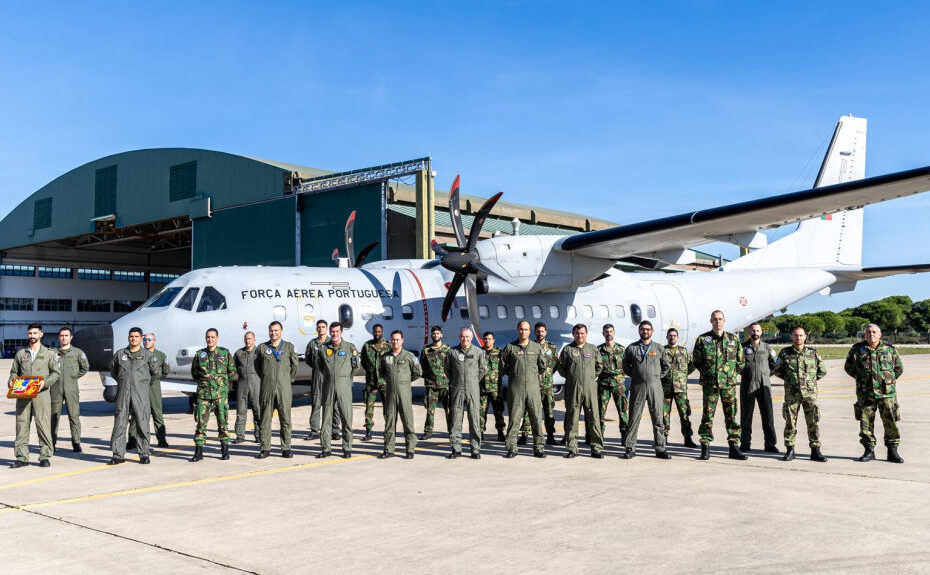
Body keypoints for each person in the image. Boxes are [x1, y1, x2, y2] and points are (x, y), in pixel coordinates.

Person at [844, 323, 904, 463]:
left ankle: (892, 451)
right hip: (865, 393)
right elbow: (848, 367)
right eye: (868, 332)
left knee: (891, 422)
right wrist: (862, 379)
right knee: (866, 424)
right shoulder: (857, 349)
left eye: (874, 332)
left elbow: (898, 368)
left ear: (880, 334)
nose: (871, 334)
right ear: (864, 334)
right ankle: (869, 450)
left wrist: (887, 381)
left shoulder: (889, 349)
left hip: (886, 394)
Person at [692, 310, 746, 461]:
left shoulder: (733, 339)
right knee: (707, 417)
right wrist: (708, 372)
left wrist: (731, 375)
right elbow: (696, 360)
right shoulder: (703, 339)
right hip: (710, 385)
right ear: (710, 321)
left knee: (732, 417)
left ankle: (734, 447)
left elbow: (741, 362)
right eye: (715, 319)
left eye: (720, 319)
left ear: (724, 320)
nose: (718, 322)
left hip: (728, 385)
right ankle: (705, 447)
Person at [8, 323, 60, 468]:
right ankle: (21, 457)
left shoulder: (50, 353)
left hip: (41, 394)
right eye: (30, 333)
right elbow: (14, 372)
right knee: (21, 425)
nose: (32, 336)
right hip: (23, 394)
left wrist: (46, 383)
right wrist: (12, 381)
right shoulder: (21, 354)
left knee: (43, 424)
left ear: (41, 334)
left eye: (35, 333)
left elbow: (56, 373)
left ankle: (44, 456)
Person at [773, 326, 827, 462]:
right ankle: (790, 450)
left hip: (810, 394)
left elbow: (821, 371)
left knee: (813, 422)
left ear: (805, 337)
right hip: (792, 394)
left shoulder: (813, 353)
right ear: (791, 336)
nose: (798, 338)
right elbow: (778, 371)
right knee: (790, 423)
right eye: (796, 335)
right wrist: (791, 381)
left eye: (801, 335)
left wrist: (809, 382)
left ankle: (815, 450)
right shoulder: (785, 353)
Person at [108, 327, 160, 465]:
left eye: (136, 337)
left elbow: (155, 374)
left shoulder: (148, 355)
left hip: (140, 394)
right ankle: (118, 454)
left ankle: (144, 454)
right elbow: (113, 370)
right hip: (123, 393)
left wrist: (141, 383)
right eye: (131, 336)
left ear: (141, 339)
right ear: (128, 338)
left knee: (142, 423)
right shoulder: (120, 354)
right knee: (120, 423)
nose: (133, 339)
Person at [622, 321, 671, 459]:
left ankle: (660, 449)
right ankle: (630, 448)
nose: (645, 331)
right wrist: (637, 375)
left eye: (648, 329)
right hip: (638, 386)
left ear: (652, 331)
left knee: (658, 418)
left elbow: (666, 366)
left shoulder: (659, 348)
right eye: (643, 329)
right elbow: (625, 366)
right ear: (639, 331)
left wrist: (655, 376)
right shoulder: (632, 348)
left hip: (655, 386)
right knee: (633, 418)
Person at [500, 320, 547, 458]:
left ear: (530, 331)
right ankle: (511, 448)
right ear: (517, 330)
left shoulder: (536, 348)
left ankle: (539, 448)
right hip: (516, 388)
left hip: (533, 388)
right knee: (514, 419)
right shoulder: (510, 348)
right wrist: (516, 374)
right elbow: (502, 367)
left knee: (536, 418)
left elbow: (542, 366)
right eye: (521, 329)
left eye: (526, 329)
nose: (523, 332)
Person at [189, 328, 236, 462]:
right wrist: (206, 383)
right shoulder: (200, 354)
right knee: (200, 424)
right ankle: (198, 452)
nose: (210, 339)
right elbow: (195, 373)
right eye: (208, 337)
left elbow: (232, 371)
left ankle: (225, 450)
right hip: (204, 396)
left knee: (223, 423)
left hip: (220, 395)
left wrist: (221, 383)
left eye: (212, 337)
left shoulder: (224, 353)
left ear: (217, 338)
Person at [558, 324, 604, 458]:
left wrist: (589, 377)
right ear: (573, 334)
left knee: (594, 418)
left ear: (586, 334)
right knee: (572, 418)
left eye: (582, 333)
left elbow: (599, 366)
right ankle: (572, 448)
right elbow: (561, 368)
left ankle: (596, 448)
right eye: (577, 333)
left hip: (590, 387)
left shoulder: (592, 349)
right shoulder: (568, 350)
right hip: (573, 388)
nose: (580, 336)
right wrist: (573, 376)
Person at [255, 321, 299, 459]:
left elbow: (295, 366)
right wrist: (267, 378)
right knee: (265, 420)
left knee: (285, 419)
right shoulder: (262, 348)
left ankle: (286, 448)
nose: (273, 333)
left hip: (283, 389)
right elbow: (257, 367)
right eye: (271, 331)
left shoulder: (288, 347)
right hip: (267, 388)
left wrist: (286, 380)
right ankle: (265, 448)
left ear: (281, 331)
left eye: (276, 330)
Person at [317, 322, 359, 458]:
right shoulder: (323, 349)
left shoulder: (349, 348)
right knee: (326, 420)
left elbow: (355, 366)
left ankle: (347, 448)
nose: (334, 334)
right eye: (332, 332)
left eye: (337, 331)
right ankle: (326, 449)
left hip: (344, 388)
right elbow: (320, 365)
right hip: (328, 388)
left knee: (346, 419)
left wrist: (344, 378)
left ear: (341, 332)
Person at [445, 327, 487, 459]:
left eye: (467, 337)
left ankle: (475, 449)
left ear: (471, 338)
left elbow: (483, 369)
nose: (465, 339)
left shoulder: (478, 352)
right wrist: (456, 381)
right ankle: (456, 449)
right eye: (463, 337)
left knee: (474, 419)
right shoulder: (452, 352)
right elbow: (447, 370)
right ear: (459, 337)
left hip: (473, 389)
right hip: (457, 388)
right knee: (456, 419)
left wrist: (473, 381)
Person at [378, 330, 422, 459]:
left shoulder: (409, 356)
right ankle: (389, 449)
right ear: (390, 341)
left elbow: (418, 372)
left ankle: (410, 449)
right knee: (389, 421)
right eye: (393, 339)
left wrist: (406, 381)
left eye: (397, 340)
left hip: (404, 394)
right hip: (390, 393)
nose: (395, 342)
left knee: (408, 421)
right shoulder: (386, 357)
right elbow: (381, 372)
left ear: (402, 340)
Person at [740, 322, 779, 453]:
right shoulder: (742, 348)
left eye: (757, 331)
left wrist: (766, 375)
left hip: (764, 385)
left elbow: (775, 365)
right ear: (748, 332)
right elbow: (736, 365)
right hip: (748, 385)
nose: (755, 333)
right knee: (746, 416)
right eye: (752, 331)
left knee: (768, 415)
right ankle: (745, 443)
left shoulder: (767, 348)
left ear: (761, 332)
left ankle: (770, 444)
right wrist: (745, 373)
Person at [50, 326, 88, 453]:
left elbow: (85, 368)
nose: (64, 338)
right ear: (59, 337)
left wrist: (73, 377)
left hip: (71, 388)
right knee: (54, 415)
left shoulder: (78, 352)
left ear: (71, 337)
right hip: (55, 387)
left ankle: (76, 442)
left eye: (66, 335)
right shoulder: (52, 352)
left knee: (74, 415)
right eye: (61, 335)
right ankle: (52, 442)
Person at [520, 323, 557, 445]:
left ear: (545, 332)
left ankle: (550, 436)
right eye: (538, 331)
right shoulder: (531, 347)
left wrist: (547, 376)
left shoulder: (552, 348)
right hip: (533, 385)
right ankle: (524, 435)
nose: (540, 333)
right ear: (534, 332)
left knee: (549, 411)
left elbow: (555, 365)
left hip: (547, 386)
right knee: (528, 411)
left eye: (542, 331)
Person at [304, 319, 340, 441]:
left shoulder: (332, 343)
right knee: (316, 404)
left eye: (323, 327)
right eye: (319, 327)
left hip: (330, 378)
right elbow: (308, 360)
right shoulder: (312, 344)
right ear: (316, 329)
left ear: (327, 328)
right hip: (317, 377)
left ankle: (335, 430)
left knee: (333, 404)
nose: (321, 329)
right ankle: (314, 431)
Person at [662, 328, 696, 448]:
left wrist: (683, 375)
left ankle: (688, 438)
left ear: (678, 337)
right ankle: (664, 438)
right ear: (667, 337)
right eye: (670, 336)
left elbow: (692, 366)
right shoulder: (662, 351)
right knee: (664, 415)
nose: (672, 337)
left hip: (680, 388)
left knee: (684, 414)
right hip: (665, 388)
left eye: (674, 335)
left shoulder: (684, 351)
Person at [419, 325, 452, 440]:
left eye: (438, 333)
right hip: (432, 386)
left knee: (449, 410)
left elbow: (453, 366)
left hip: (446, 385)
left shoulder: (448, 349)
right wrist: (428, 378)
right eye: (434, 334)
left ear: (441, 335)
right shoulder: (426, 350)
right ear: (431, 335)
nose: (435, 335)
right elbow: (421, 367)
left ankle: (452, 431)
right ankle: (428, 432)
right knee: (430, 410)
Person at [597, 324, 628, 444]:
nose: (608, 333)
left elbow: (628, 365)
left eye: (610, 331)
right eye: (606, 332)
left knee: (623, 410)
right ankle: (599, 435)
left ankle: (625, 436)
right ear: (603, 333)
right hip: (603, 383)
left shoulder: (621, 349)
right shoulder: (598, 350)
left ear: (614, 333)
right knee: (600, 411)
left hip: (618, 383)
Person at [141, 333, 171, 448]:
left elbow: (165, 371)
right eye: (145, 339)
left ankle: (161, 440)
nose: (146, 341)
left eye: (149, 339)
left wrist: (155, 378)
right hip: (140, 387)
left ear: (154, 341)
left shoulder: (160, 355)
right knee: (137, 414)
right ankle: (133, 440)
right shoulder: (139, 354)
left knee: (157, 414)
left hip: (154, 387)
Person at [360, 324, 389, 441]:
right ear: (372, 332)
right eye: (375, 332)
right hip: (371, 382)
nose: (377, 333)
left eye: (379, 331)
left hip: (384, 382)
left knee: (387, 408)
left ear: (382, 332)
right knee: (369, 408)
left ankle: (389, 430)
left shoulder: (388, 346)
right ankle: (368, 431)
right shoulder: (367, 346)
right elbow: (363, 362)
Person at [233, 331, 261, 444]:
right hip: (242, 383)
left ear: (254, 340)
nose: (247, 341)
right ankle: (240, 435)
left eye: (249, 338)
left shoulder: (259, 352)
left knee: (257, 409)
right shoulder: (239, 353)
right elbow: (232, 367)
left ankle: (259, 435)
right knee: (241, 409)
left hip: (256, 382)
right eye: (246, 338)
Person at [479, 332, 506, 441]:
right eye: (485, 339)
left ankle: (500, 432)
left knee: (498, 411)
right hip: (482, 388)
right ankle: (480, 432)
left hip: (495, 388)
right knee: (481, 412)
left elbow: (505, 366)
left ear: (493, 340)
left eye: (489, 339)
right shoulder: (479, 352)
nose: (487, 341)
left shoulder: (499, 352)